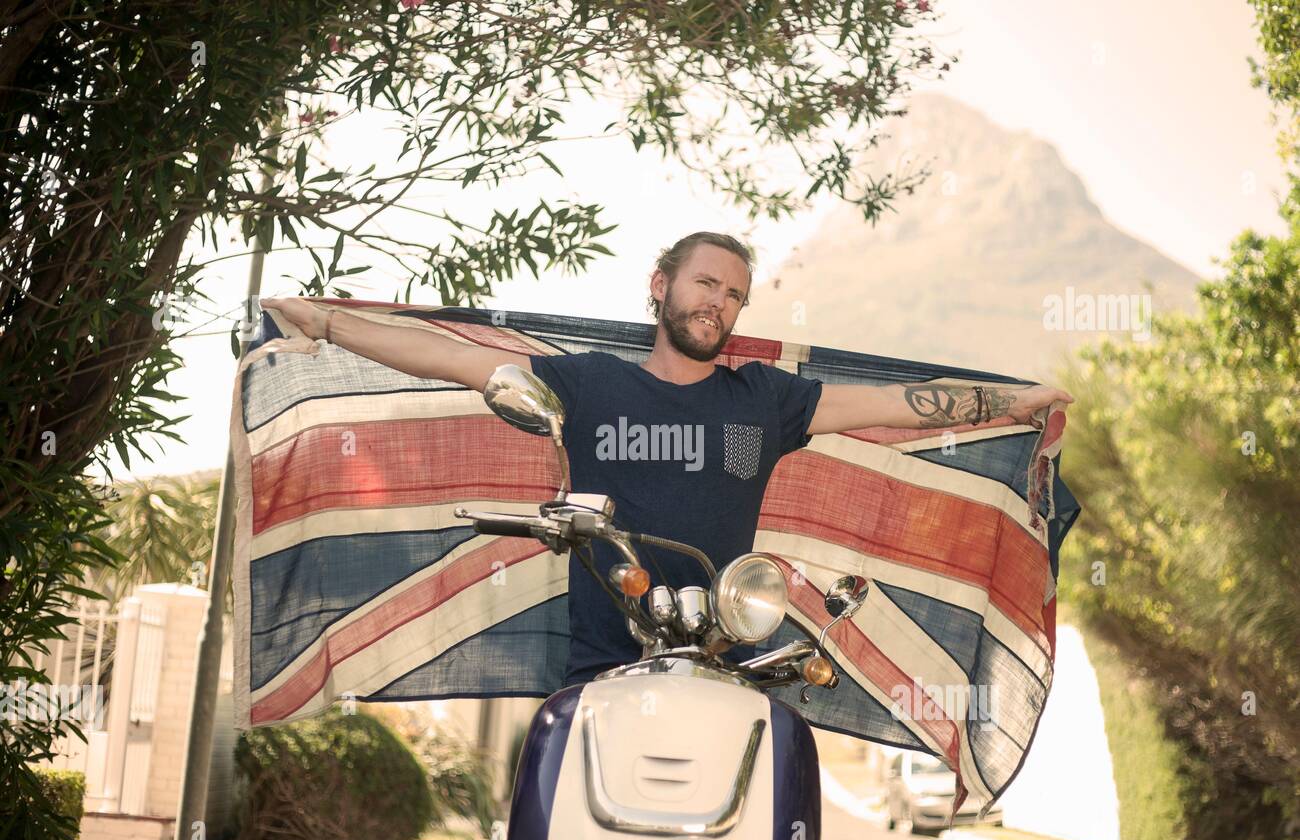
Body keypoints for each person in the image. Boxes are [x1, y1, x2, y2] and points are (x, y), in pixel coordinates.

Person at [261, 231, 1073, 687]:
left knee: (779, 806)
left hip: (727, 662)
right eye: (705, 283)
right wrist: (327, 324)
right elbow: (452, 360)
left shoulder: (765, 400)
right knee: (547, 805)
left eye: (733, 295)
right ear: (661, 285)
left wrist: (1008, 404)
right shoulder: (587, 382)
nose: (717, 303)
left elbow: (896, 405)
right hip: (602, 667)